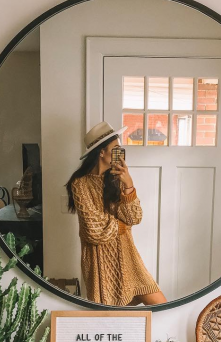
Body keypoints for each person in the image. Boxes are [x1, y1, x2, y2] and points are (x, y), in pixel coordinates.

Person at [65, 121, 167, 306]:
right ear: (101, 152)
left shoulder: (118, 178)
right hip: (99, 262)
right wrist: (120, 226)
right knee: (111, 319)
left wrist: (128, 184)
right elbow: (92, 228)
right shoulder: (79, 184)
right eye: (116, 148)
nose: (121, 153)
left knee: (160, 304)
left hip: (128, 257)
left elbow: (134, 218)